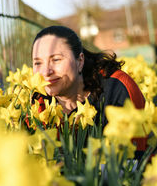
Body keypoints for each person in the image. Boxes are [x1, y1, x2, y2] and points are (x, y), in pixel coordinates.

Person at [31, 25, 147, 155]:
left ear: (80, 61)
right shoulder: (36, 100)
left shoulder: (117, 88)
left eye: (56, 59)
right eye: (38, 63)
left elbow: (133, 162)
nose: (46, 72)